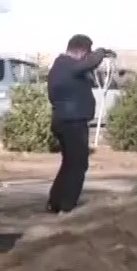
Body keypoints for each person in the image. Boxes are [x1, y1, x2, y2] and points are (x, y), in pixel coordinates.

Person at [45, 34, 107, 213]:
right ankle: (67, 206)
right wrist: (101, 53)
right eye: (87, 53)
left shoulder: (62, 66)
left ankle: (55, 202)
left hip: (66, 120)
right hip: (72, 122)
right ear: (80, 51)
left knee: (69, 163)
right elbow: (87, 64)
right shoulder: (66, 64)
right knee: (78, 164)